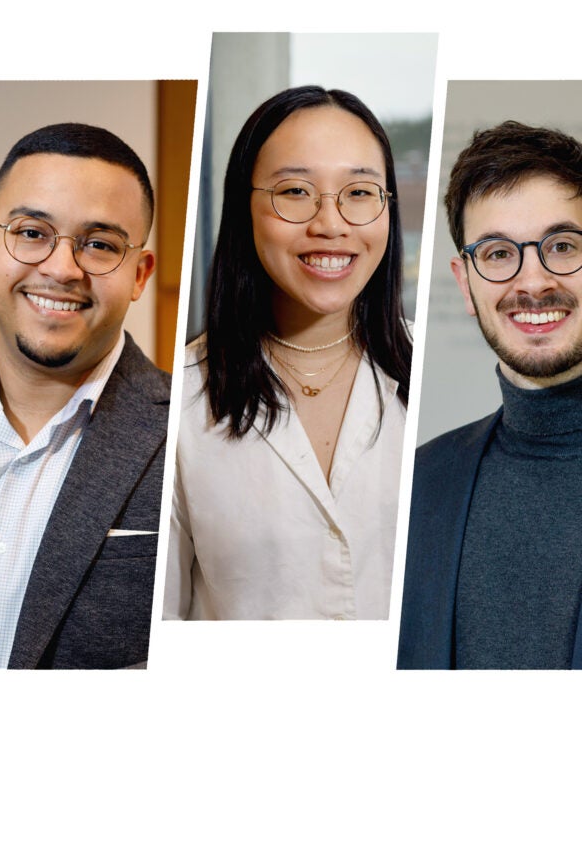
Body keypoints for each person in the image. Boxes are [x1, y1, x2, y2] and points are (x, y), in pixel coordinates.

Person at [0, 122, 169, 669]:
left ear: (139, 274)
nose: (61, 269)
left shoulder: (191, 440)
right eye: (32, 233)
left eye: (100, 245)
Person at [163, 85, 412, 620]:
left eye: (360, 192)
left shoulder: (425, 371)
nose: (330, 223)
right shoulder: (178, 399)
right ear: (242, 207)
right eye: (295, 191)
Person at [398, 121, 582, 670]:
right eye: (499, 253)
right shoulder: (420, 484)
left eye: (563, 245)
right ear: (465, 282)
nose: (533, 282)